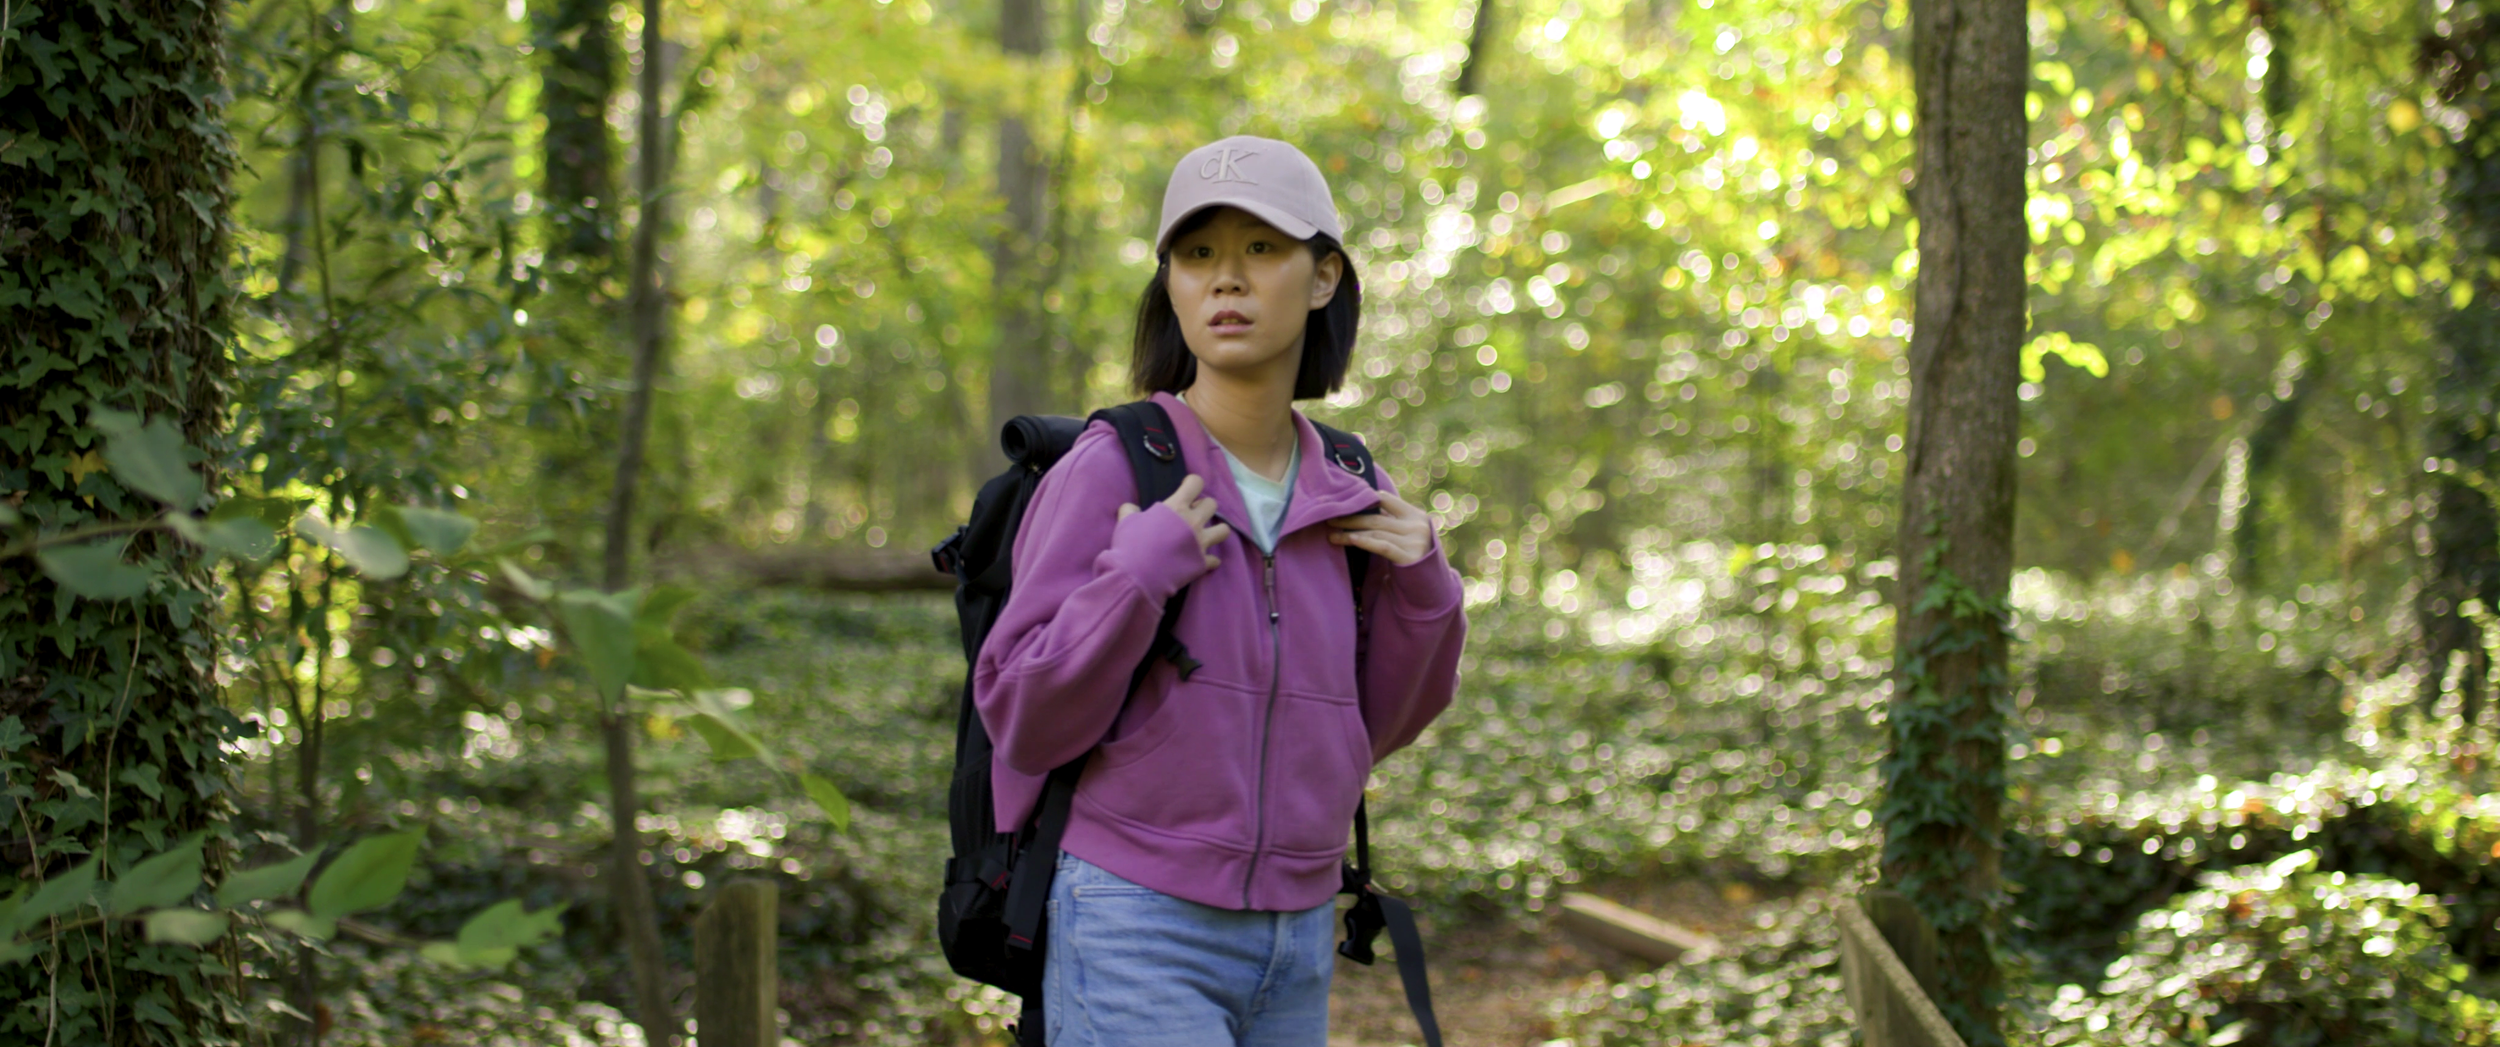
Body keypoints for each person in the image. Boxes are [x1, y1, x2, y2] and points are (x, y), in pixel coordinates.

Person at [971, 135, 1469, 1046]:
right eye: (1198, 255)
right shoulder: (1115, 464)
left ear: (1323, 277)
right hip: (1135, 920)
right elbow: (1024, 717)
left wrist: (1426, 595)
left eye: (1261, 250)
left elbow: (1366, 729)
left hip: (1299, 929)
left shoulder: (1349, 483)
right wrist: (1135, 577)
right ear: (1170, 285)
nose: (1226, 281)